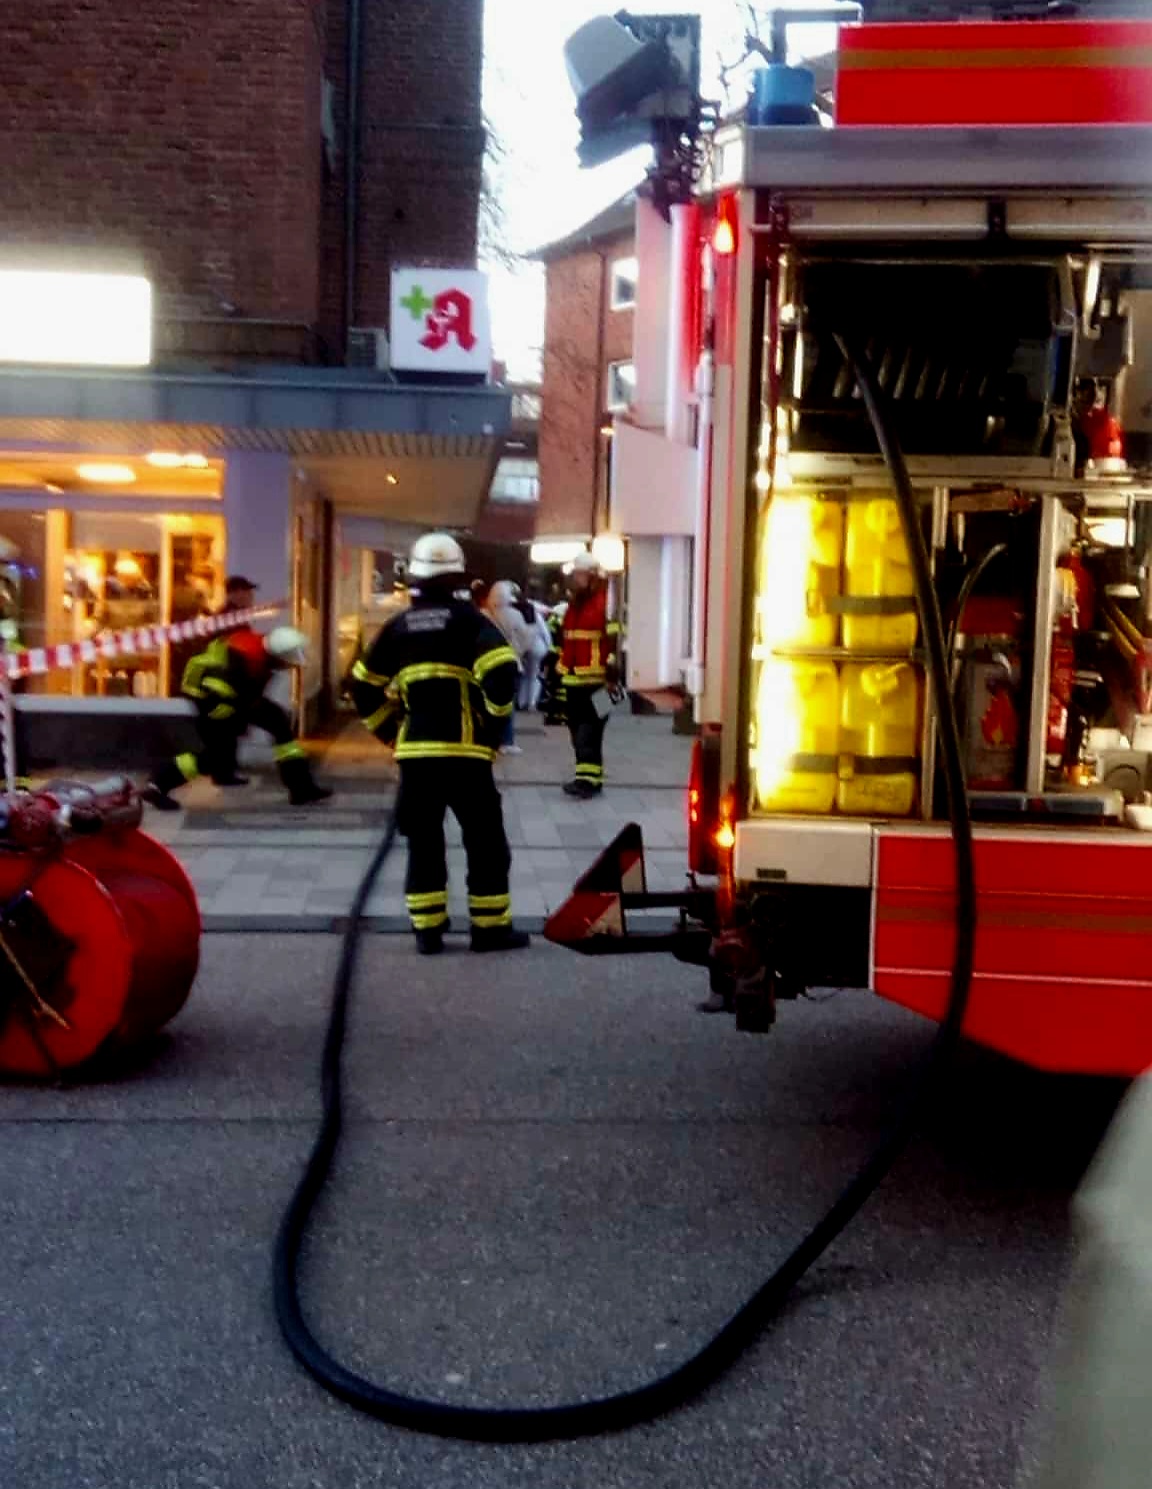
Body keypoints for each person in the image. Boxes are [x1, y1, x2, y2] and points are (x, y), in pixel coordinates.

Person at [348, 532, 530, 956]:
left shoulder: (397, 626)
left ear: (416, 577)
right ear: (457, 578)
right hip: (466, 755)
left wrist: (389, 732)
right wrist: (493, 725)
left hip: (416, 758)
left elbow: (361, 685)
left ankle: (427, 931)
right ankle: (489, 930)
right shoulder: (471, 622)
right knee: (485, 842)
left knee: (423, 842)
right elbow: (502, 671)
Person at [142, 626, 332, 810]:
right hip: (216, 704)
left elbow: (247, 692)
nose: (287, 667)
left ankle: (301, 788)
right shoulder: (237, 663)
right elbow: (224, 699)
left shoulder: (260, 651)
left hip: (238, 698)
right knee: (213, 758)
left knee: (278, 723)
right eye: (285, 663)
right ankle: (157, 785)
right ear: (277, 656)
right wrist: (235, 725)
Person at [556, 552, 621, 797]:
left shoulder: (606, 603)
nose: (574, 579)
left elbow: (615, 639)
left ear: (592, 576)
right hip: (573, 682)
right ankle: (589, 777)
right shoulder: (575, 604)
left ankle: (587, 783)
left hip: (600, 684)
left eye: (578, 574)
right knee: (577, 732)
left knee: (590, 732)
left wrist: (613, 675)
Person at [485, 580, 534, 753]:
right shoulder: (515, 615)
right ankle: (507, 740)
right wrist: (518, 652)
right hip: (512, 663)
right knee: (509, 703)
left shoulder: (484, 614)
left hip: (488, 665)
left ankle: (490, 738)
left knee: (488, 702)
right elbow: (526, 639)